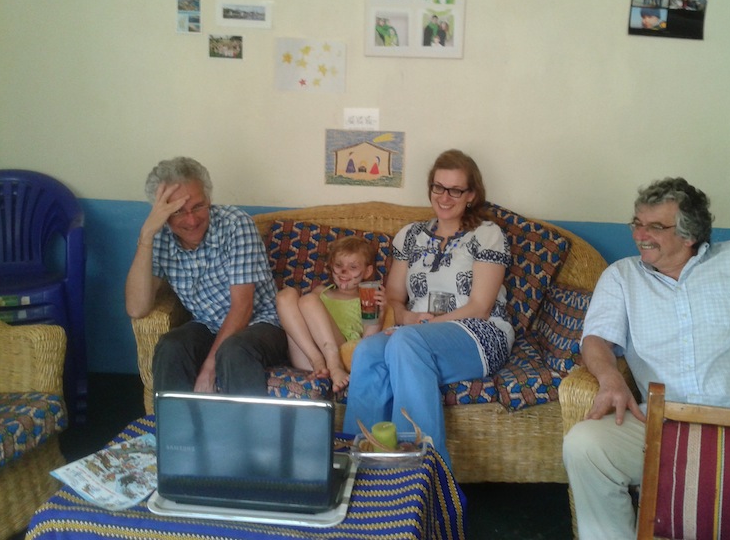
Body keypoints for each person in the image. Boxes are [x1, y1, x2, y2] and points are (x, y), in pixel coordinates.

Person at [562, 177, 730, 540]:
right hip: (666, 425)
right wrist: (609, 378)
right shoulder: (622, 277)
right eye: (637, 223)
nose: (640, 235)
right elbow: (595, 339)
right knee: (585, 446)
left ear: (690, 235)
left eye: (655, 227)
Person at [342, 149, 513, 469]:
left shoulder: (487, 235)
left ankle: (419, 467)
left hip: (478, 333)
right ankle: (360, 461)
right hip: (414, 333)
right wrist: (405, 317)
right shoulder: (410, 236)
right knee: (367, 351)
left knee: (405, 342)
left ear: (471, 195)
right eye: (438, 187)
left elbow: (480, 307)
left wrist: (417, 328)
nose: (444, 197)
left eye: (455, 190)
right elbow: (394, 297)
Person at [125, 157, 287, 396]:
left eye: (198, 206)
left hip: (262, 324)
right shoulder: (159, 237)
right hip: (208, 325)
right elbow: (137, 308)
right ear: (161, 212)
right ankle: (177, 420)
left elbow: (243, 306)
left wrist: (209, 368)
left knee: (234, 350)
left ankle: (249, 422)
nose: (191, 220)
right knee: (171, 346)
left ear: (209, 199)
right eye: (178, 211)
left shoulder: (235, 224)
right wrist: (147, 235)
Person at [276, 236, 386, 392]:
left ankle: (334, 365)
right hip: (308, 356)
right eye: (339, 265)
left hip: (341, 354)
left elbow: (368, 341)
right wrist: (316, 358)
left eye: (353, 267)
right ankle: (318, 361)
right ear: (331, 265)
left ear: (367, 271)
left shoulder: (367, 299)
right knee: (286, 295)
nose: (343, 271)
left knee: (308, 300)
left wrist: (380, 314)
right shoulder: (320, 292)